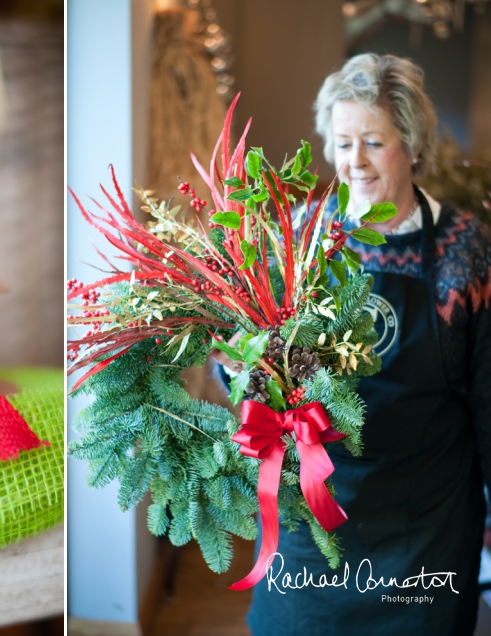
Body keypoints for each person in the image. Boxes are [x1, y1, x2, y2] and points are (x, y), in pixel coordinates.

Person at [216, 53, 491, 635]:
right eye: (342, 143)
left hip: (424, 528)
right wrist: (234, 365)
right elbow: (252, 369)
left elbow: (489, 405)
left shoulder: (464, 252)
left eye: (373, 142)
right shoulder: (298, 237)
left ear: (413, 146)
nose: (353, 163)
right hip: (313, 524)